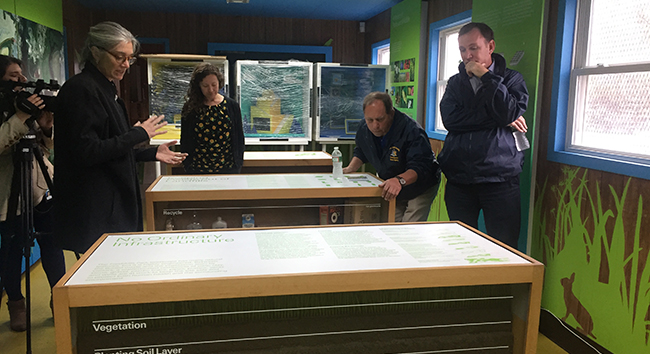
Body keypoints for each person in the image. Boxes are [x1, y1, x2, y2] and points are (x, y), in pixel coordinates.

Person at [54, 22, 187, 254]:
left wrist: (150, 152)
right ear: (95, 52)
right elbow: (87, 152)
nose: (126, 65)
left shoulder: (105, 88)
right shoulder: (82, 89)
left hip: (111, 205)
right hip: (97, 208)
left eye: (130, 59)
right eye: (119, 57)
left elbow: (111, 147)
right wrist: (138, 134)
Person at [438, 22, 529, 249]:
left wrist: (487, 77)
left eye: (473, 48)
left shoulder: (512, 80)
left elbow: (509, 111)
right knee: (460, 245)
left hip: (500, 180)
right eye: (461, 50)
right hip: (459, 180)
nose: (467, 55)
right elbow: (451, 120)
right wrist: (500, 120)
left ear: (490, 46)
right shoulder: (455, 83)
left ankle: (504, 286)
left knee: (505, 247)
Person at [0, 55, 65, 331]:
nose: (21, 81)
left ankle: (59, 300)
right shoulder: (13, 109)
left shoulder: (23, 105)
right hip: (8, 194)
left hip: (39, 187)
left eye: (21, 74)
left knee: (52, 243)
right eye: (14, 76)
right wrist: (22, 116)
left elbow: (45, 147)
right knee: (12, 250)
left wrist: (47, 127)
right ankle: (16, 303)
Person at [342, 92, 440, 222]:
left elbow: (420, 167)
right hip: (393, 182)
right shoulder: (364, 128)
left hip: (420, 184)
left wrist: (399, 180)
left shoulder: (412, 131)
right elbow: (362, 150)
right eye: (370, 120)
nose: (375, 125)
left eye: (380, 120)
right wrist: (350, 168)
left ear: (391, 113)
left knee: (410, 226)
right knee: (392, 223)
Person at [180, 63, 244, 174]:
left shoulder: (232, 106)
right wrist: (188, 165)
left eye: (214, 84)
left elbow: (239, 138)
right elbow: (185, 140)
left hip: (228, 169)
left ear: (220, 82)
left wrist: (238, 164)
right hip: (198, 169)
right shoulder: (191, 108)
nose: (211, 90)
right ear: (198, 86)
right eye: (205, 86)